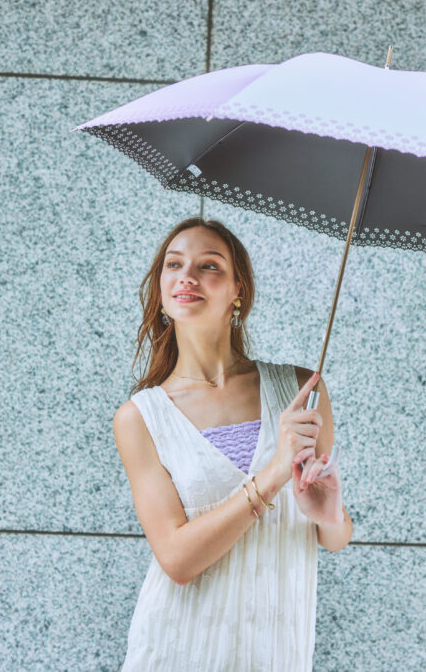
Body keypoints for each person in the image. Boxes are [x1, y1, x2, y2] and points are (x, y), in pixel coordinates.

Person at [112, 216, 353, 670]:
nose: (187, 276)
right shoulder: (141, 417)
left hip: (276, 651)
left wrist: (331, 514)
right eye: (174, 264)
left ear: (238, 290)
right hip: (178, 650)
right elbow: (177, 560)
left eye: (209, 266)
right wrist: (275, 472)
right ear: (161, 290)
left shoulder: (302, 391)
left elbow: (334, 538)